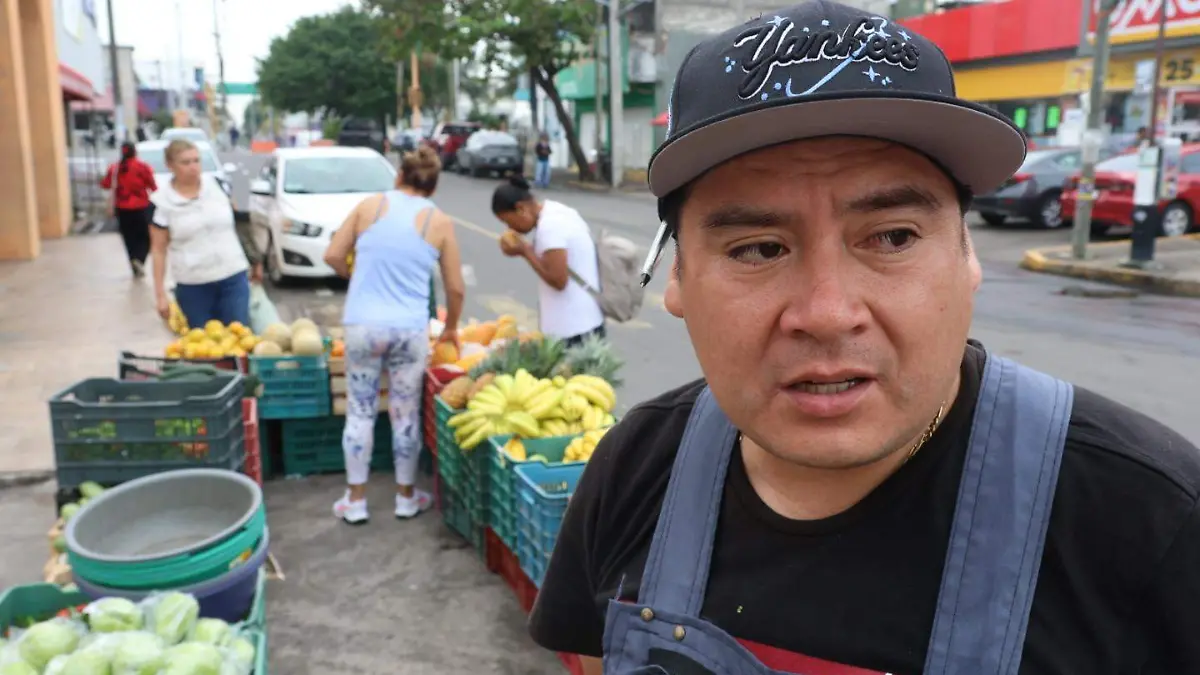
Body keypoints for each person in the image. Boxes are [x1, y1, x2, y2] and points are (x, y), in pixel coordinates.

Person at [528, 2, 1200, 674]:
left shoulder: (1152, 522)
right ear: (678, 278)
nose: (826, 313)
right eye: (759, 248)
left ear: (968, 256)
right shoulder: (636, 470)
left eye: (893, 237)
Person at [322, 145, 466, 524]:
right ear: (433, 186)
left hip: (363, 326)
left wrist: (359, 280)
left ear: (398, 176)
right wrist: (450, 327)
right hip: (408, 329)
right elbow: (456, 288)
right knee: (404, 414)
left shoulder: (370, 206)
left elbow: (333, 254)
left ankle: (355, 501)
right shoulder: (439, 221)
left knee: (360, 410)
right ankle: (405, 497)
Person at [150, 139, 261, 328]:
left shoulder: (219, 186)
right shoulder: (161, 203)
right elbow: (158, 250)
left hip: (232, 275)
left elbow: (241, 226)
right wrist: (160, 295)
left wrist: (255, 260)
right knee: (204, 346)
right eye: (185, 162)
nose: (193, 167)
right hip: (193, 285)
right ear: (170, 165)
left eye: (196, 160)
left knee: (238, 338)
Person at [491, 176, 604, 346]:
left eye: (507, 221)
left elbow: (559, 280)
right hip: (586, 322)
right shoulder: (557, 211)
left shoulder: (549, 228)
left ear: (521, 208)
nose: (510, 228)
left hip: (573, 331)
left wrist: (525, 252)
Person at [100, 141, 157, 278]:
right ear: (135, 152)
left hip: (122, 209)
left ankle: (133, 262)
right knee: (145, 237)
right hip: (140, 207)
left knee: (129, 238)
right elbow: (153, 186)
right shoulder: (142, 167)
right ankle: (140, 259)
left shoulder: (114, 168)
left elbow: (105, 185)